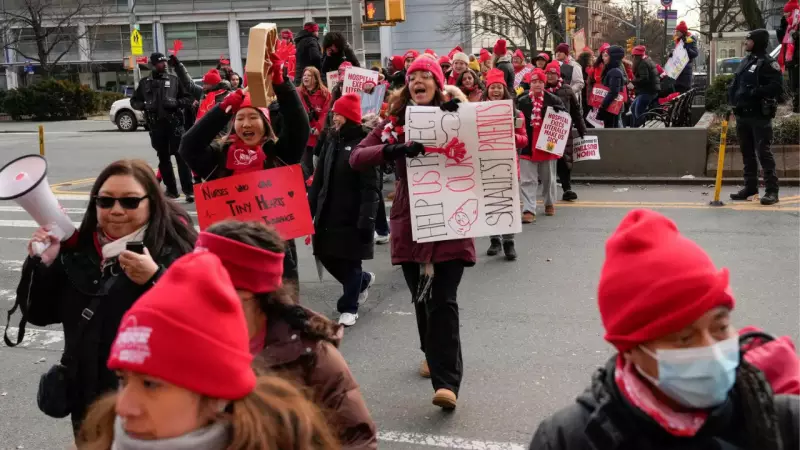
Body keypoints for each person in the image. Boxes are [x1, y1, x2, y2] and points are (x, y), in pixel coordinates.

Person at [529, 208, 800, 450]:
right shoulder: (568, 440)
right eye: (683, 338)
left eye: (720, 327)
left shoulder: (784, 422)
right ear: (632, 350)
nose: (711, 350)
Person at [76, 252, 341, 450]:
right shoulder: (103, 437)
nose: (124, 407)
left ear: (216, 397)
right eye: (123, 379)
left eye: (150, 384)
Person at [16, 159, 196, 434]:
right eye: (105, 201)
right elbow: (38, 314)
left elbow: (198, 330)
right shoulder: (78, 252)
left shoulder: (175, 251)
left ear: (152, 203)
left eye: (130, 202)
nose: (116, 211)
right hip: (90, 407)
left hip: (154, 408)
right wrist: (42, 265)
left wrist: (155, 279)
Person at [350, 57, 475, 410]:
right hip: (412, 219)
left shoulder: (458, 113)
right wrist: (394, 148)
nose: (419, 81)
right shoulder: (394, 122)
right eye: (413, 77)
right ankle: (431, 353)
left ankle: (447, 382)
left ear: (438, 84)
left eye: (426, 76)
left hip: (451, 218)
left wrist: (459, 120)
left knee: (443, 300)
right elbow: (357, 158)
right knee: (423, 298)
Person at [197, 221, 378, 448]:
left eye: (204, 281)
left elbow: (358, 439)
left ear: (245, 292)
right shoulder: (189, 343)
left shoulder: (310, 355)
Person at [178, 52, 309, 286]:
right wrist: (223, 110)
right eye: (240, 118)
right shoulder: (219, 157)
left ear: (265, 123)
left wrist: (282, 84)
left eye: (253, 117)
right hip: (230, 255)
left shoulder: (278, 154)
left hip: (275, 257)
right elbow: (188, 146)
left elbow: (300, 127)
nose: (246, 124)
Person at [309, 94, 379, 327]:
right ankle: (363, 280)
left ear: (348, 117)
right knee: (325, 254)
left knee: (351, 262)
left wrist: (367, 219)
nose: (333, 117)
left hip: (352, 214)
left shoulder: (363, 142)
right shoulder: (331, 139)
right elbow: (319, 178)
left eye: (337, 114)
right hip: (327, 209)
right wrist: (308, 210)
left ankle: (349, 307)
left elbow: (371, 186)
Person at [727, 29, 784, 205]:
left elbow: (777, 87)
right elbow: (736, 84)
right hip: (742, 115)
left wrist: (755, 92)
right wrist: (730, 103)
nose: (746, 42)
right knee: (747, 153)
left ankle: (772, 191)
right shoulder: (746, 60)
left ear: (757, 42)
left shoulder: (768, 63)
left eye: (749, 40)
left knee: (763, 153)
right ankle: (750, 188)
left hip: (759, 115)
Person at [130, 52, 195, 202]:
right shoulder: (145, 83)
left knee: (181, 157)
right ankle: (171, 190)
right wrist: (144, 105)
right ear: (153, 65)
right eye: (160, 62)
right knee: (163, 159)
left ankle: (188, 190)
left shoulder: (174, 80)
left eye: (165, 62)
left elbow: (188, 98)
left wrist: (176, 103)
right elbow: (134, 101)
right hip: (156, 126)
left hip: (175, 125)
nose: (164, 64)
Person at [482, 68, 528, 260]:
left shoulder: (515, 112)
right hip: (487, 164)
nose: (495, 91)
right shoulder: (478, 112)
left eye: (499, 87)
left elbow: (524, 140)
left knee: (508, 204)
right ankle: (495, 239)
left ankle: (509, 242)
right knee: (491, 202)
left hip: (509, 165)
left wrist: (512, 136)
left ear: (504, 89)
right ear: (487, 89)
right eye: (492, 87)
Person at [518, 69, 565, 222]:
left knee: (549, 179)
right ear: (530, 84)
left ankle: (549, 203)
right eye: (534, 82)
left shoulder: (554, 100)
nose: (537, 84)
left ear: (544, 84)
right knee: (527, 180)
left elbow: (564, 120)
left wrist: (561, 111)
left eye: (540, 82)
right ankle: (528, 209)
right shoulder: (521, 100)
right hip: (527, 144)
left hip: (547, 145)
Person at [544, 61, 587, 203]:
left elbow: (576, 113)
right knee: (546, 163)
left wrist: (582, 131)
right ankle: (546, 190)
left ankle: (567, 188)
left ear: (558, 75)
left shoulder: (567, 90)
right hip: (545, 132)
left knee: (565, 161)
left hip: (563, 132)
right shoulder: (540, 89)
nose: (550, 76)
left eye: (553, 73)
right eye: (548, 73)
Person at [299, 66, 332, 179]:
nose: (305, 78)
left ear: (316, 78)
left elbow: (326, 113)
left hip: (319, 136)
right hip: (304, 136)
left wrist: (319, 128)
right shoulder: (298, 93)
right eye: (304, 75)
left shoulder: (325, 94)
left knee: (319, 165)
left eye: (309, 75)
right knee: (305, 165)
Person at [630, 45, 660, 127]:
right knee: (633, 108)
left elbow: (644, 79)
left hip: (647, 91)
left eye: (632, 56)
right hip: (651, 90)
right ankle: (634, 129)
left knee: (638, 112)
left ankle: (640, 131)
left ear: (635, 56)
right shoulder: (647, 60)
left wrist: (632, 82)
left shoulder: (642, 64)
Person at [778, 0, 800, 113]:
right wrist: (783, 26)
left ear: (792, 11)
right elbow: (782, 41)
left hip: (796, 60)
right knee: (792, 86)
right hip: (790, 61)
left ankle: (797, 109)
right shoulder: (788, 24)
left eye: (786, 12)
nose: (784, 14)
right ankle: (795, 108)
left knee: (796, 85)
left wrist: (796, 35)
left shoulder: (797, 23)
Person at [598, 45, 626, 128]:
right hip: (611, 107)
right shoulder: (613, 70)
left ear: (613, 57)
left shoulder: (614, 72)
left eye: (606, 56)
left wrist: (603, 105)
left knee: (612, 131)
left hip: (612, 107)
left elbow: (613, 92)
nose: (603, 58)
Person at [671, 21, 698, 93]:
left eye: (677, 31)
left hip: (685, 74)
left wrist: (687, 48)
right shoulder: (678, 40)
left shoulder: (691, 39)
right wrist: (672, 56)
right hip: (678, 73)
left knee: (682, 92)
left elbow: (695, 53)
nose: (676, 33)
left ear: (682, 32)